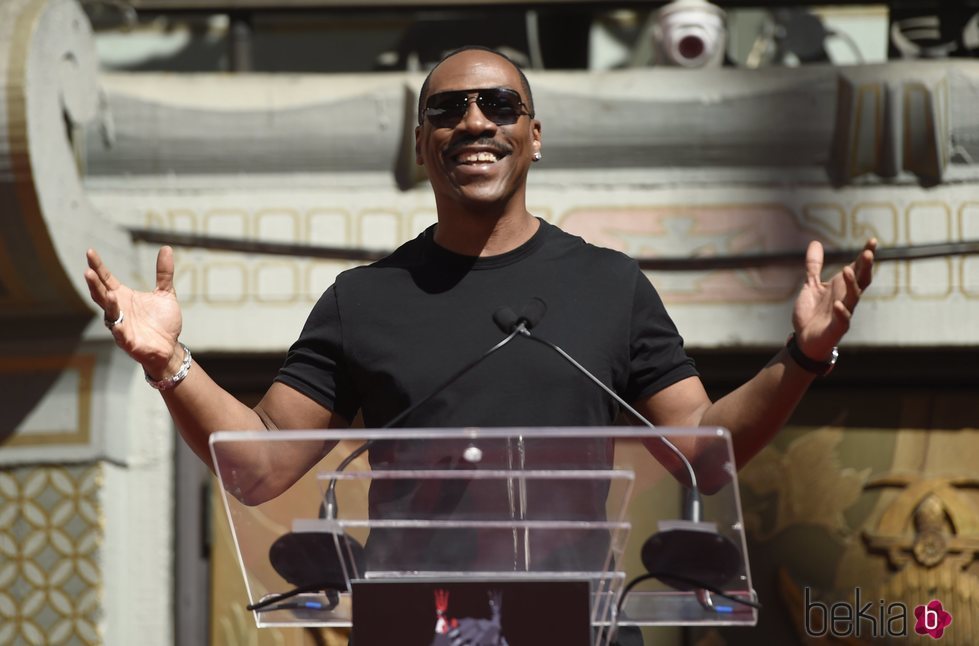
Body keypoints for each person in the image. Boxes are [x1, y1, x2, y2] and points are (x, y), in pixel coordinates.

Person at [84, 46, 875, 568]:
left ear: (533, 136)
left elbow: (701, 452)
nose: (473, 122)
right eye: (447, 110)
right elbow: (256, 469)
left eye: (498, 106)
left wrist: (801, 357)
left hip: (580, 623)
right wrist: (170, 366)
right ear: (421, 145)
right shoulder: (363, 300)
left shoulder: (611, 286)